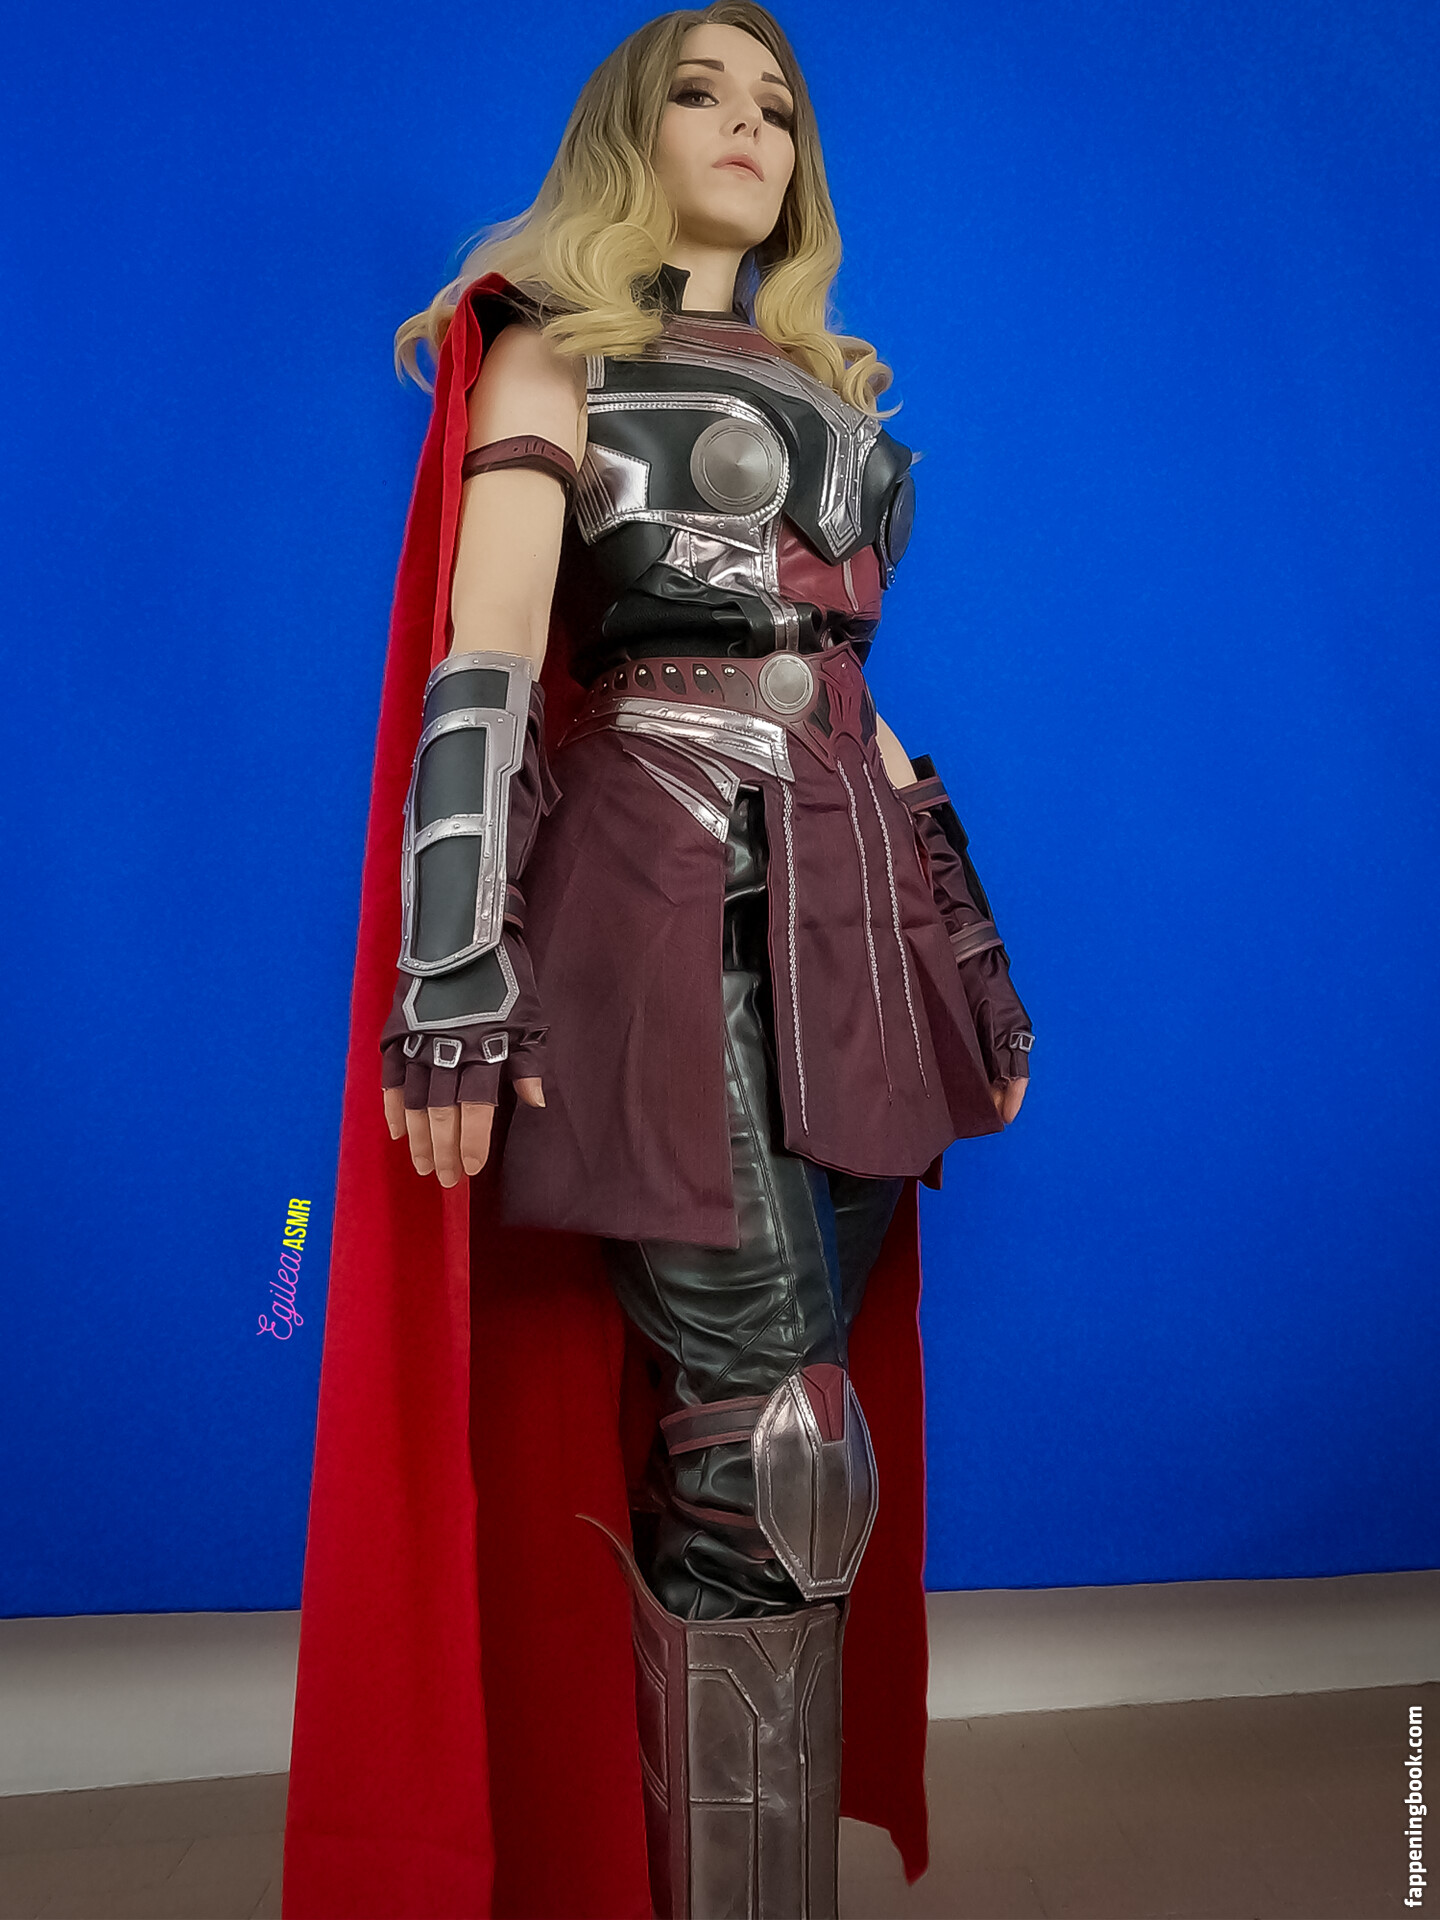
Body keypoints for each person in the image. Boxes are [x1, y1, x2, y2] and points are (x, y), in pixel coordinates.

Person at [283, 8, 1031, 1918]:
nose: (748, 125)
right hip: (663, 918)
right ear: (633, 127)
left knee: (801, 1467)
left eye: (778, 105)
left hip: (856, 938)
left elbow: (848, 701)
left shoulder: (833, 394)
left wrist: (969, 941)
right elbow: (488, 652)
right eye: (703, 91)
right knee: (772, 1460)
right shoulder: (559, 349)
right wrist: (454, 973)